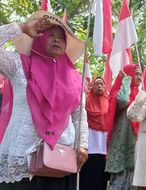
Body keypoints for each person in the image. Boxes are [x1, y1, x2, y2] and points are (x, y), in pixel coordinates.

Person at [0, 11, 88, 190]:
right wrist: (22, 27)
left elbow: (79, 115)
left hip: (59, 160)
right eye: (50, 35)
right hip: (21, 158)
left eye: (61, 37)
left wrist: (83, 145)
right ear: (38, 38)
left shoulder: (75, 78)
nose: (57, 40)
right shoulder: (18, 65)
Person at [105, 64, 142, 190]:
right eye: (136, 74)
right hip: (122, 140)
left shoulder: (139, 94)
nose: (139, 77)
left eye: (140, 74)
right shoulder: (118, 92)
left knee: (134, 181)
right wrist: (126, 81)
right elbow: (123, 101)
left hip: (136, 142)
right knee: (120, 181)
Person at [80, 77, 110, 190]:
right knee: (88, 173)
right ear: (93, 86)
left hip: (103, 144)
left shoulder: (108, 100)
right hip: (90, 142)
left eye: (102, 84)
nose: (99, 86)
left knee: (101, 174)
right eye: (97, 84)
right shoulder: (86, 99)